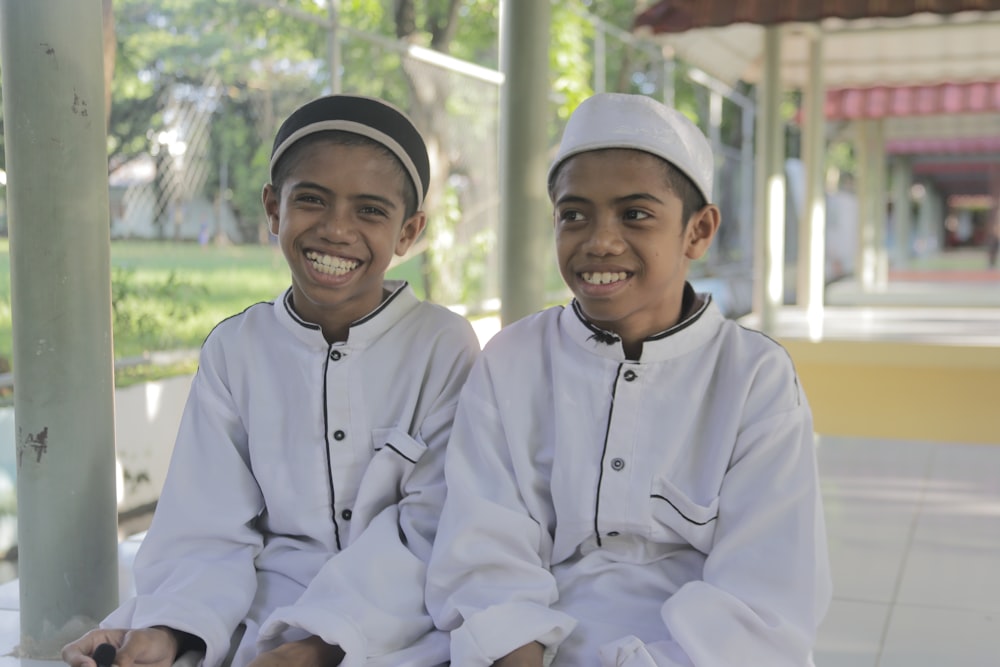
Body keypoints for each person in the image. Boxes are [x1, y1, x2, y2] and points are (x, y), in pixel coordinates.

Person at [62, 94, 480, 667]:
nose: (336, 230)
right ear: (273, 209)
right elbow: (204, 522)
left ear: (408, 232)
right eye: (312, 200)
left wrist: (315, 646)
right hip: (259, 606)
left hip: (399, 618)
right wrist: (170, 628)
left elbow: (432, 529)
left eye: (370, 211)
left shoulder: (442, 346)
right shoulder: (237, 349)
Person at [425, 93, 832, 666]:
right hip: (531, 644)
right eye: (574, 215)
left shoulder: (753, 378)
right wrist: (516, 652)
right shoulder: (512, 358)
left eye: (635, 214)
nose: (600, 241)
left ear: (698, 230)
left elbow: (766, 589)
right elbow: (483, 547)